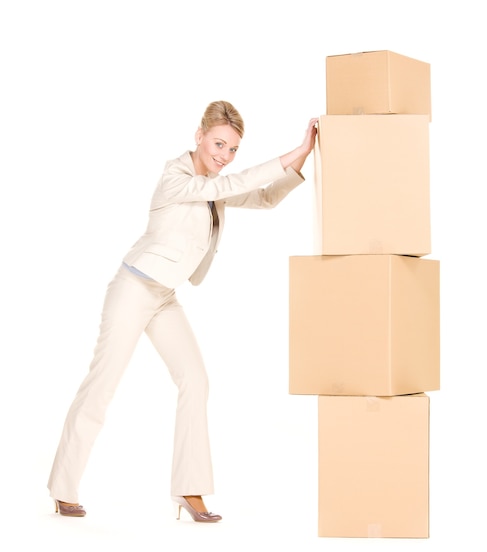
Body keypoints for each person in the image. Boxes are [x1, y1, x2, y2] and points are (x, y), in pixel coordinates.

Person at [47, 100, 318, 522]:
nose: (224, 156)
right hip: (133, 288)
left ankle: (189, 490)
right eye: (218, 144)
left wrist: (301, 159)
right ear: (199, 135)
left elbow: (264, 198)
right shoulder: (176, 177)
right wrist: (288, 152)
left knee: (195, 378)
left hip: (164, 297)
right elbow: (228, 185)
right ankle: (62, 487)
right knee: (102, 386)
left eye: (232, 150)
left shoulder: (215, 186)